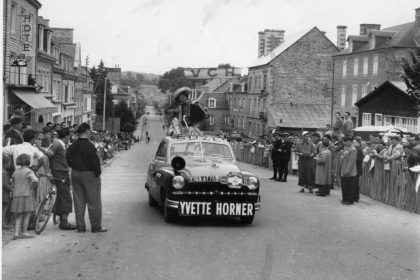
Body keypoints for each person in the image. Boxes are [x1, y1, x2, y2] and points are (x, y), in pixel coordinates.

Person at [66, 123, 107, 233]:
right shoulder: (90, 146)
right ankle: (96, 226)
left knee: (79, 201)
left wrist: (74, 166)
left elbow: (68, 158)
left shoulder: (73, 146)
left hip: (75, 173)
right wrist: (97, 173)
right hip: (89, 174)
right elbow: (95, 162)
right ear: (88, 131)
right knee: (94, 201)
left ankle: (80, 226)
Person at [37, 128, 76, 230]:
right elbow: (46, 157)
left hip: (61, 172)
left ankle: (58, 212)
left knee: (62, 196)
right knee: (66, 197)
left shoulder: (59, 145)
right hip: (60, 174)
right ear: (67, 137)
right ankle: (64, 222)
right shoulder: (57, 145)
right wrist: (48, 172)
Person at [10, 154, 39, 240]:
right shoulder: (29, 171)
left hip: (17, 195)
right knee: (27, 214)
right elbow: (35, 180)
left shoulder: (15, 172)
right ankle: (24, 232)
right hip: (26, 195)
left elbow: (13, 183)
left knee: (18, 215)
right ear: (28, 161)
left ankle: (16, 233)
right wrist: (32, 187)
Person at [339, 136, 357, 205]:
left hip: (349, 172)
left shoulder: (353, 150)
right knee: (344, 186)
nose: (347, 142)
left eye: (348, 141)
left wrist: (347, 171)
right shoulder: (345, 148)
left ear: (351, 142)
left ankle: (349, 200)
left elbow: (351, 161)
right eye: (345, 141)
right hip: (343, 169)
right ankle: (345, 199)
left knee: (349, 186)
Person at [3, 156, 13, 229]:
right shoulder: (4, 172)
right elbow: (5, 184)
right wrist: (12, 190)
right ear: (5, 163)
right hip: (4, 194)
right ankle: (3, 224)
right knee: (4, 209)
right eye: (9, 162)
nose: (10, 164)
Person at [353, 137, 364, 202]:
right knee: (354, 183)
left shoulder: (359, 150)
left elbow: (359, 160)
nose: (353, 143)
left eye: (355, 142)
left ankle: (356, 197)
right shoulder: (355, 149)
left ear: (359, 143)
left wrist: (352, 159)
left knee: (355, 184)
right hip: (354, 169)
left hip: (357, 169)